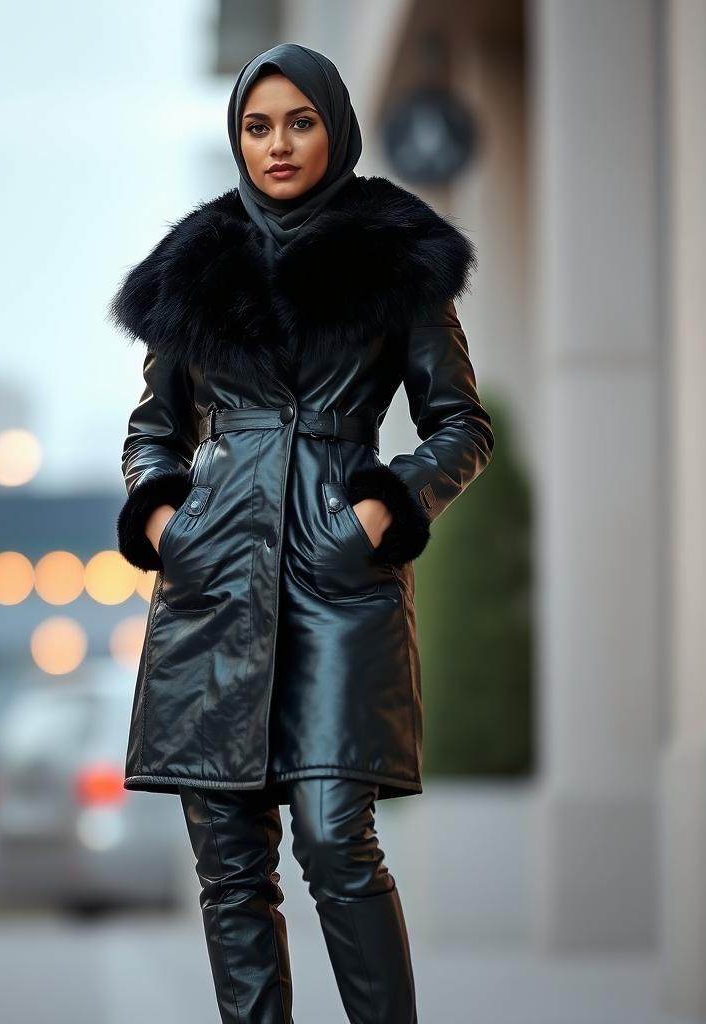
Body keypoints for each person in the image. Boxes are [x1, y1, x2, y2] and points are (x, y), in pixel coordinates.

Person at [109, 42, 494, 1024]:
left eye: (298, 121)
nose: (276, 144)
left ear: (334, 124)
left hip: (339, 575)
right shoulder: (193, 263)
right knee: (229, 860)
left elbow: (460, 423)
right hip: (214, 582)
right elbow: (155, 427)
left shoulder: (397, 251)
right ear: (236, 136)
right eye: (256, 125)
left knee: (332, 834)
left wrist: (381, 508)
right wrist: (166, 518)